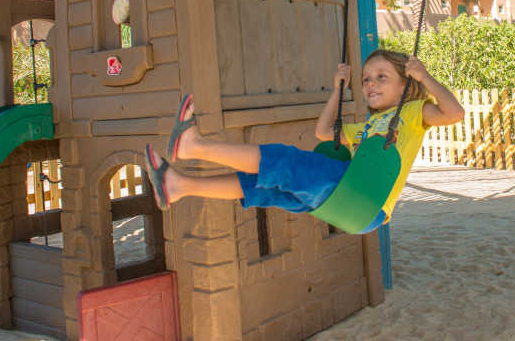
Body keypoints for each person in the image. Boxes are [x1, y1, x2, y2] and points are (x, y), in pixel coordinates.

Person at [144, 50, 464, 233]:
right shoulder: (365, 127)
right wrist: (338, 90)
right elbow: (324, 133)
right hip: (345, 202)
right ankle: (179, 185)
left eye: (382, 77)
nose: (370, 83)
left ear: (406, 85)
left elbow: (454, 113)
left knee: (285, 162)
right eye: (366, 78)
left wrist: (426, 78)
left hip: (363, 200)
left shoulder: (410, 113)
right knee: (260, 185)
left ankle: (195, 146)